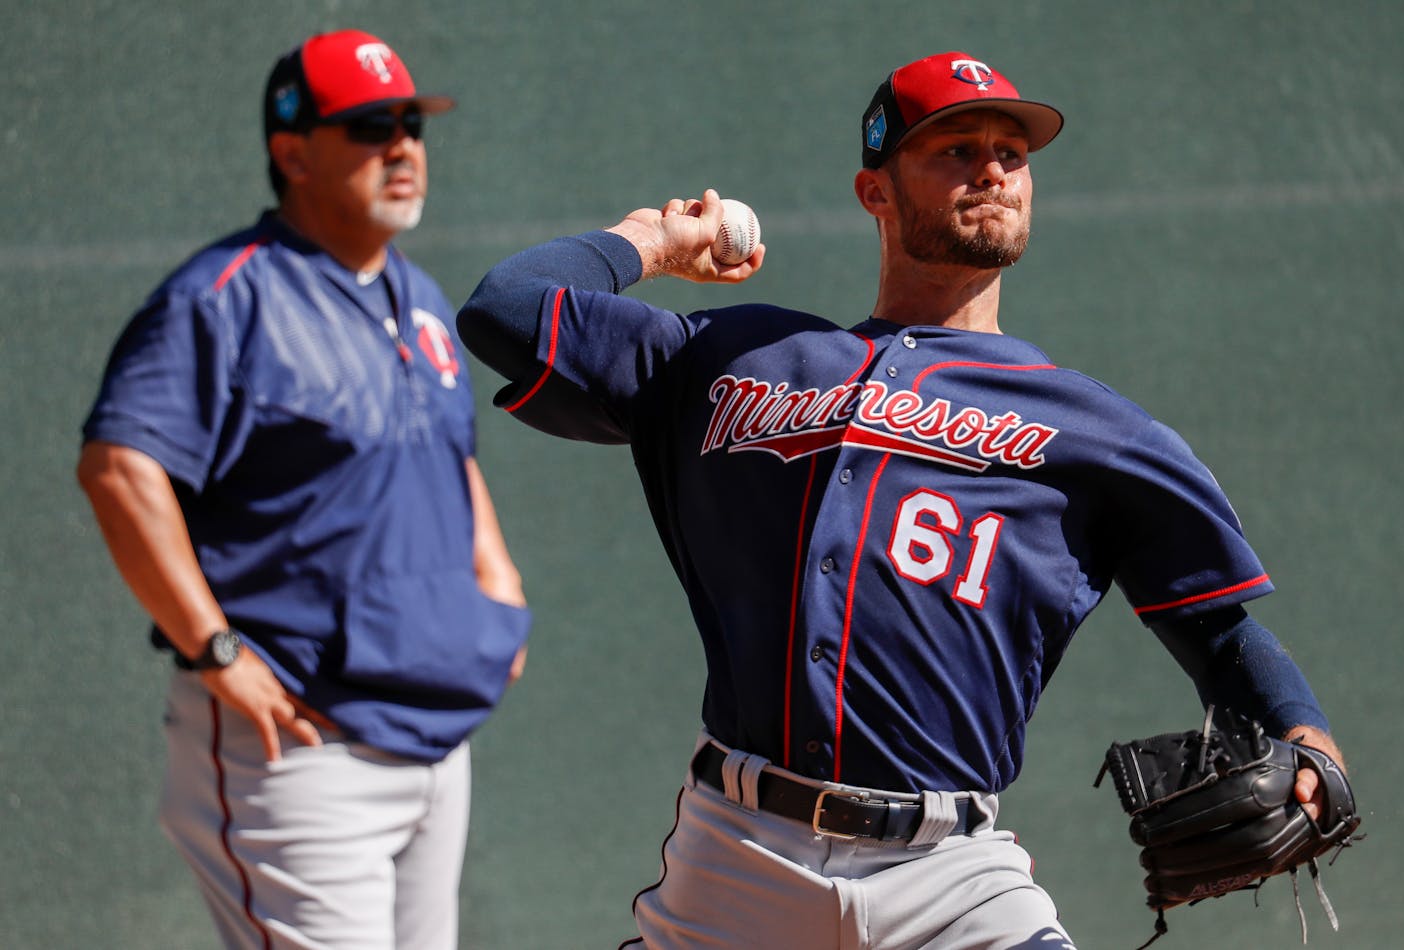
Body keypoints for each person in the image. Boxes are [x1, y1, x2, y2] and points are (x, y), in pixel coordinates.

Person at [456, 50, 1346, 949]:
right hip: (736, 860)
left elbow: (1221, 631)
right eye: (954, 149)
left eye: (1012, 151)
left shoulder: (1097, 429)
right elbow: (505, 307)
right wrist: (649, 242)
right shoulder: (738, 361)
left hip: (952, 876)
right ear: (874, 191)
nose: (992, 168)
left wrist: (1308, 739)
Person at [76, 29, 531, 950]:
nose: (402, 148)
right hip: (300, 749)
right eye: (369, 127)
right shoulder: (224, 297)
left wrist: (499, 590)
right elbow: (121, 469)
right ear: (292, 152)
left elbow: (450, 456)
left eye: (410, 124)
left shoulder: (422, 299)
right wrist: (214, 649)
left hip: (436, 735)